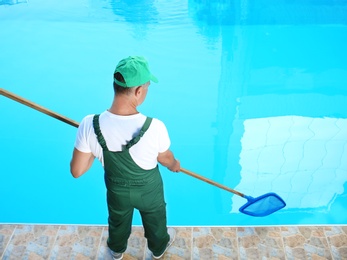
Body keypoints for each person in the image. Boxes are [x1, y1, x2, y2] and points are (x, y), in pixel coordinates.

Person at [70, 56, 180, 260]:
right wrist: (174, 165)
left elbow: (77, 171)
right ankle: (157, 250)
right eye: (147, 87)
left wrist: (94, 146)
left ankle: (117, 250)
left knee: (117, 221)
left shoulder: (89, 124)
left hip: (117, 191)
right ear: (139, 91)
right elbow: (165, 158)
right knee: (155, 220)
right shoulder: (154, 126)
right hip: (149, 192)